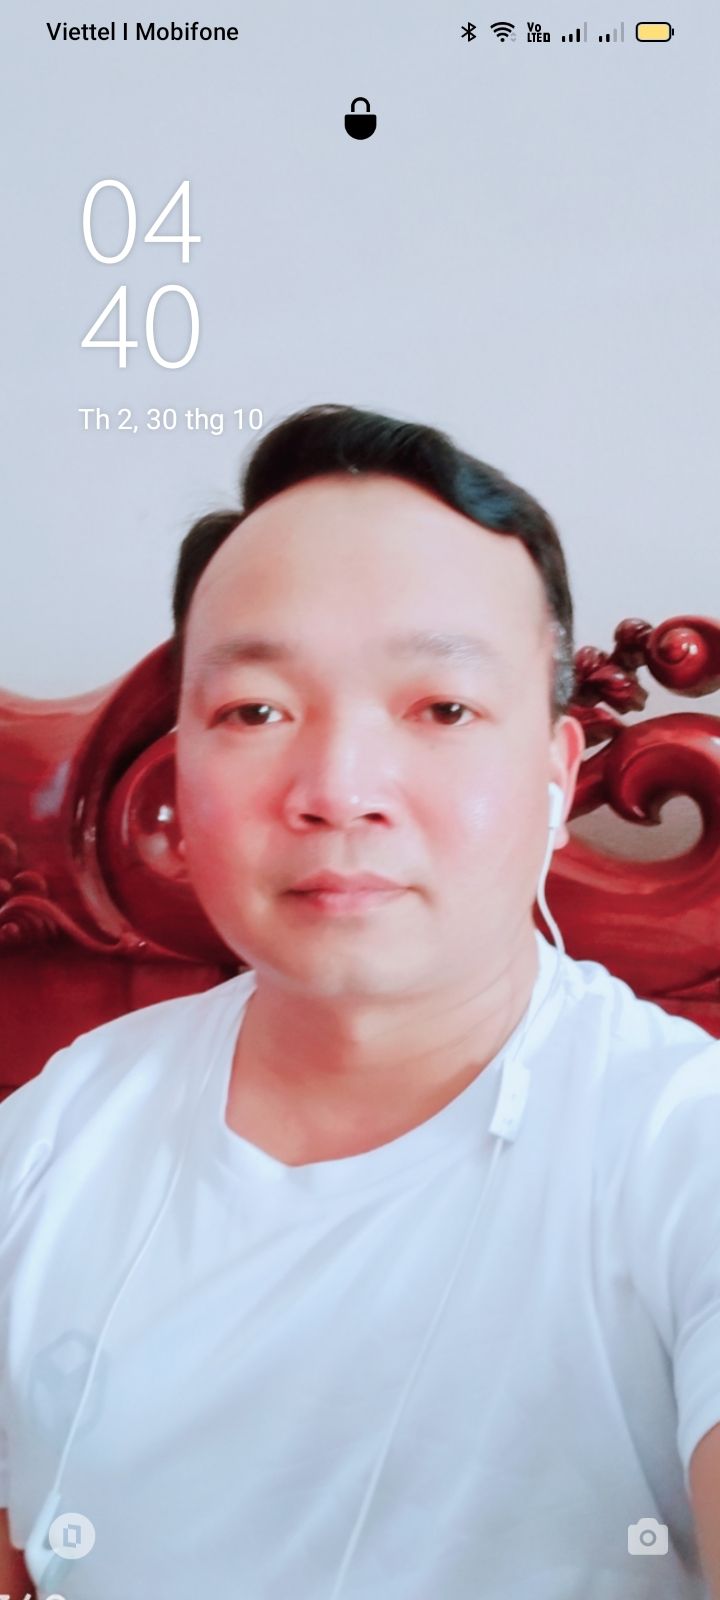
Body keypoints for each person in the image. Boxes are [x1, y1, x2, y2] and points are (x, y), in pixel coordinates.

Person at [1, 404, 719, 1600]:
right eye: (255, 710)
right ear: (178, 769)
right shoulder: (55, 1135)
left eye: (442, 708)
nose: (338, 788)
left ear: (556, 778)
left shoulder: (684, 1153)